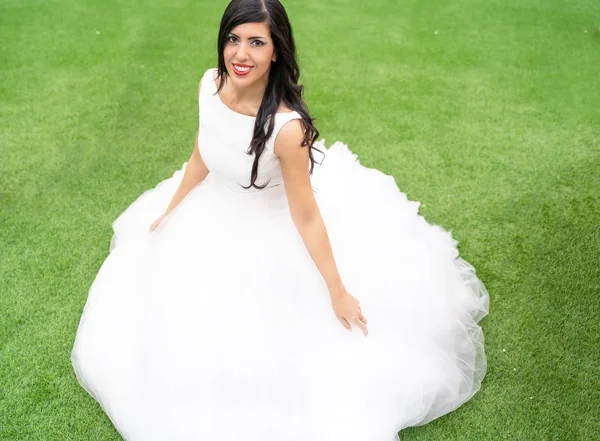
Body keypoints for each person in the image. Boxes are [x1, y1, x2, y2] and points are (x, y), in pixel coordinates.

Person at [70, 0, 490, 440]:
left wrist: (337, 290)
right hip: (214, 213)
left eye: (256, 42)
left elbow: (306, 216)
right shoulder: (210, 84)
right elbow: (202, 154)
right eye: (233, 39)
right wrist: (170, 209)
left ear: (276, 51)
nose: (240, 55)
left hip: (270, 229)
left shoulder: (287, 129)